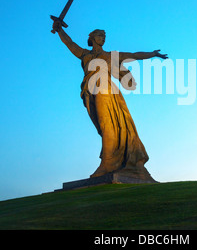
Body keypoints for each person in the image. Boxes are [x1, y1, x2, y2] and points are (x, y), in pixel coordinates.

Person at [52, 21, 167, 179]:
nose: (103, 38)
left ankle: (107, 163)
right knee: (103, 125)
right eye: (100, 35)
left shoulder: (110, 56)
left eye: (104, 36)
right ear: (92, 38)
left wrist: (152, 54)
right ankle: (111, 161)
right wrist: (59, 30)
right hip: (89, 91)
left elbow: (133, 55)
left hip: (105, 89)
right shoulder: (85, 54)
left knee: (107, 125)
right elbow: (69, 43)